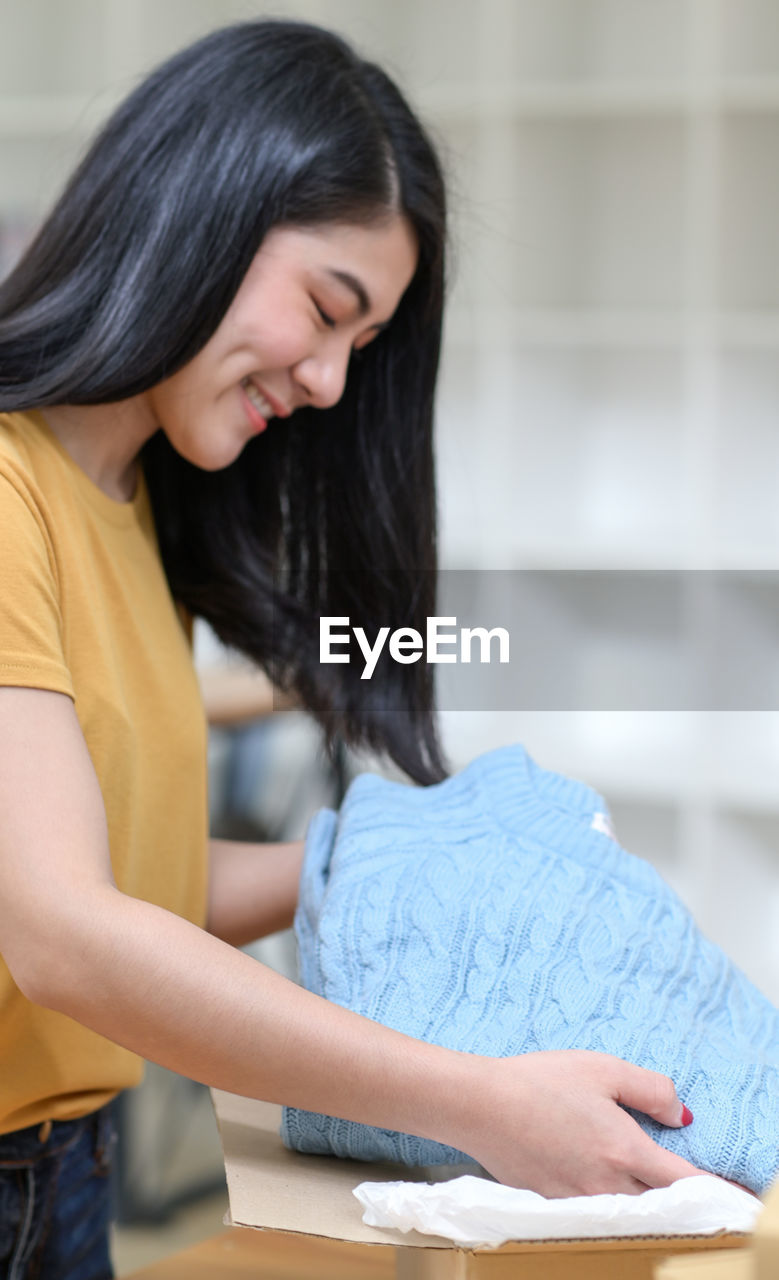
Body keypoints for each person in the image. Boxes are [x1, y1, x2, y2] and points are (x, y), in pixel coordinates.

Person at [0, 19, 704, 1280]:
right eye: (328, 310)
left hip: (64, 1165)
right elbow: (60, 931)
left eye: (361, 348)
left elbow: (122, 874)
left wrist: (391, 854)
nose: (329, 381)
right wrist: (476, 1098)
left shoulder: (130, 502)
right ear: (196, 210)